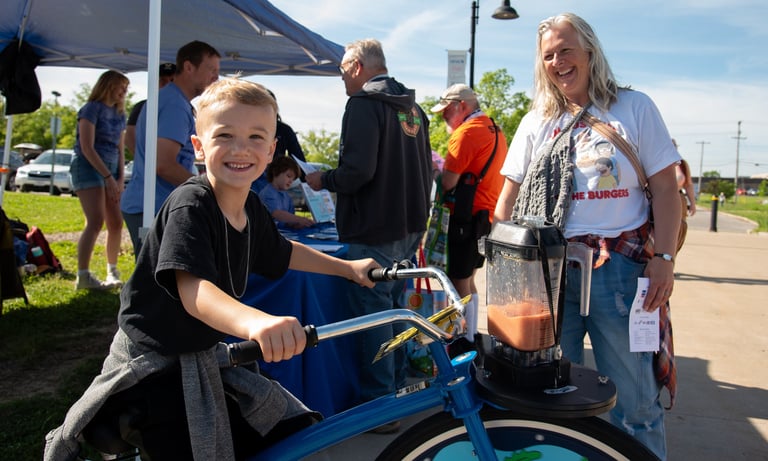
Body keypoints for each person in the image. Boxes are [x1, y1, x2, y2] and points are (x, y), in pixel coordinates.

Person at [44, 78, 379, 460]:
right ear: (199, 147)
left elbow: (283, 252)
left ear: (271, 151)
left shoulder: (251, 206)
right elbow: (194, 291)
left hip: (205, 354)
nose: (241, 148)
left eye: (256, 137)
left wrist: (348, 268)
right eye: (225, 135)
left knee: (288, 429)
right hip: (155, 365)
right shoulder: (192, 204)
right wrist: (255, 323)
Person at [493, 13, 680, 460]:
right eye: (549, 55)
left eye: (566, 49)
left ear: (590, 51)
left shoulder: (634, 108)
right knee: (548, 397)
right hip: (549, 277)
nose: (558, 61)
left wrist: (666, 258)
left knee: (636, 405)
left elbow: (667, 191)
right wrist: (506, 265)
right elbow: (505, 204)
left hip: (622, 272)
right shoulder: (536, 121)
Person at [305, 38, 432, 433]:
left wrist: (320, 178)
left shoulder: (363, 105)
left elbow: (357, 172)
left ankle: (379, 406)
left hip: (374, 228)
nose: (341, 77)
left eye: (343, 69)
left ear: (358, 66)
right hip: (409, 226)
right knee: (393, 308)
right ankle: (395, 390)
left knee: (374, 315)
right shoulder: (413, 108)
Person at [121, 40, 220, 257]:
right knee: (156, 285)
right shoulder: (175, 105)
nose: (216, 77)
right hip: (153, 206)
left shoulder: (170, 99)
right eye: (211, 70)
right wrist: (209, 191)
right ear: (188, 67)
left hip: (150, 203)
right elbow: (163, 165)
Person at [429, 84, 507, 345]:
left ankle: (463, 342)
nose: (443, 118)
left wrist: (434, 170)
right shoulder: (495, 130)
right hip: (484, 217)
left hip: (462, 217)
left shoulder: (466, 133)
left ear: (461, 106)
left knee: (457, 282)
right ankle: (472, 336)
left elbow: (449, 182)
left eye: (446, 112)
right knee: (469, 280)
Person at [70, 70, 129, 290]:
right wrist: (106, 176)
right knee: (95, 221)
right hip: (88, 168)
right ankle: (83, 276)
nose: (124, 91)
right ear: (108, 85)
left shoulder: (120, 114)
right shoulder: (90, 109)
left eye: (126, 87)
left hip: (111, 171)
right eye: (121, 86)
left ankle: (112, 270)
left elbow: (119, 148)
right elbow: (87, 147)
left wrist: (120, 177)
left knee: (115, 222)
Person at [250, 89, 307, 194]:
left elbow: (299, 161)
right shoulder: (246, 127)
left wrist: (307, 182)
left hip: (272, 183)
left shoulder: (284, 130)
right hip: (249, 179)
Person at [124, 62, 176, 157]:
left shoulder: (183, 108)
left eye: (172, 80)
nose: (167, 84)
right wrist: (148, 163)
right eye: (162, 80)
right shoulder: (143, 106)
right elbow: (129, 138)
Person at [258, 156, 314, 229]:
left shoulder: (287, 197)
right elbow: (276, 214)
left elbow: (289, 221)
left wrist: (299, 224)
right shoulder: (268, 193)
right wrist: (299, 219)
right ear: (275, 172)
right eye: (289, 176)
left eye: (293, 179)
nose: (291, 181)